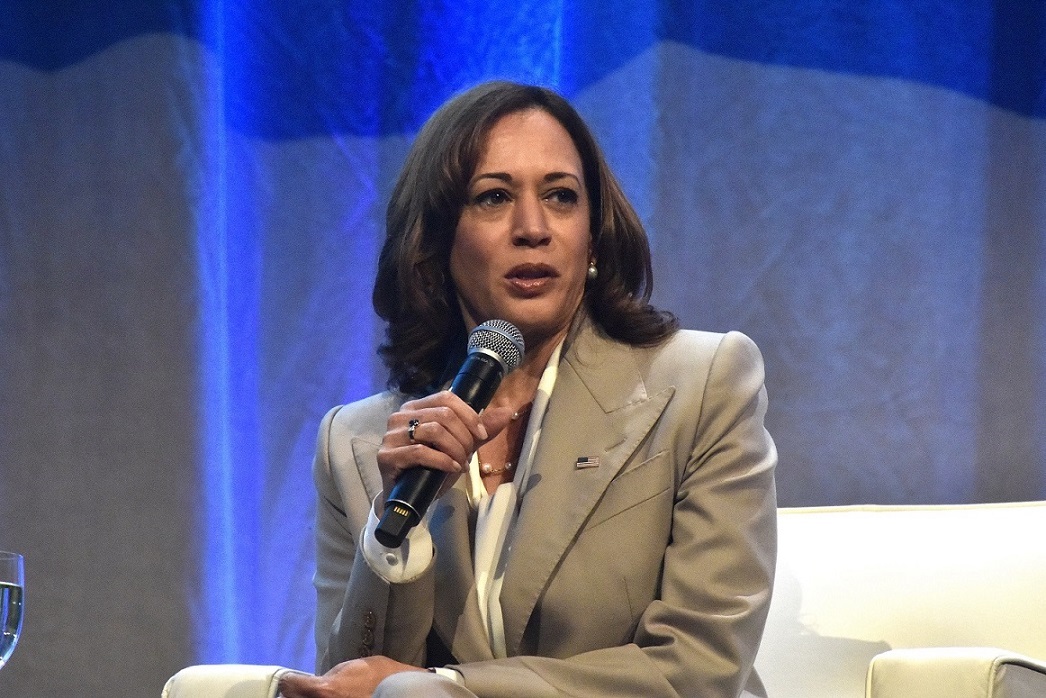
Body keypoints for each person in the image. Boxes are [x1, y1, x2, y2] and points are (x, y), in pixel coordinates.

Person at [278, 81, 777, 698]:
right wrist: (394, 536)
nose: (533, 228)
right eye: (493, 198)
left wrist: (447, 689)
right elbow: (349, 683)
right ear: (434, 244)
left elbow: (700, 666)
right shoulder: (355, 443)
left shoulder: (701, 384)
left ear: (593, 235)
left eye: (562, 197)